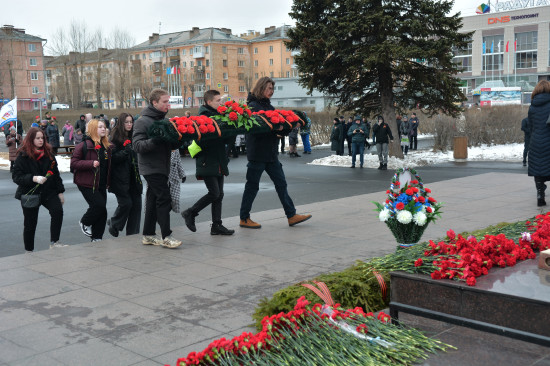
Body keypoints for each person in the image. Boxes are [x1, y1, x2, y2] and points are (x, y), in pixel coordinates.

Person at [239, 77, 312, 228]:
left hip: (270, 153)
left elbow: (277, 127)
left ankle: (291, 215)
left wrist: (291, 126)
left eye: (272, 89)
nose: (271, 91)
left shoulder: (269, 106)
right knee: (252, 186)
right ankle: (244, 218)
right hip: (258, 153)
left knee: (281, 184)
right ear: (261, 88)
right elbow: (257, 130)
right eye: (269, 88)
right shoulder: (253, 106)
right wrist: (275, 130)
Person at [133, 88, 182, 248]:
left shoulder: (164, 120)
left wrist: (179, 137)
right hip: (151, 168)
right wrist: (157, 139)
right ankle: (167, 236)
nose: (168, 105)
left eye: (169, 101)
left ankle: (148, 234)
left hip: (162, 166)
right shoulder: (142, 121)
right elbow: (137, 145)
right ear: (154, 103)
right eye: (165, 102)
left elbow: (171, 145)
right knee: (164, 198)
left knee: (153, 200)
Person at [182, 89, 235, 235]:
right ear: (209, 102)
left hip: (218, 159)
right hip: (207, 160)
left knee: (220, 194)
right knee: (214, 193)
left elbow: (223, 139)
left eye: (220, 100)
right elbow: (204, 141)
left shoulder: (219, 117)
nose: (220, 103)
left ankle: (217, 225)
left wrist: (232, 129)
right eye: (218, 101)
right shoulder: (203, 118)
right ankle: (190, 212)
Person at [12, 127, 66, 252]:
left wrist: (60, 192)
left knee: (57, 211)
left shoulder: (49, 154)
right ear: (31, 139)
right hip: (30, 193)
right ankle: (29, 250)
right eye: (38, 138)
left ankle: (55, 241)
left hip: (48, 191)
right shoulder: (23, 155)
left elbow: (55, 175)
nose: (41, 140)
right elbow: (16, 177)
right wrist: (33, 178)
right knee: (30, 223)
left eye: (42, 138)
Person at [71, 119, 112, 242]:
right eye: (100, 127)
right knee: (98, 205)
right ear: (93, 129)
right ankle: (84, 222)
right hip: (87, 182)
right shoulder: (84, 145)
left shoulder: (106, 146)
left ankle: (97, 238)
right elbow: (74, 163)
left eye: (104, 127)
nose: (103, 129)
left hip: (101, 183)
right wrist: (91, 163)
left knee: (102, 211)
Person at [107, 113, 143, 237]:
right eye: (126, 122)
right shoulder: (115, 137)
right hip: (120, 177)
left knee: (137, 205)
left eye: (131, 122)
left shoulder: (135, 136)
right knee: (126, 203)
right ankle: (114, 223)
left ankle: (133, 234)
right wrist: (125, 152)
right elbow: (112, 158)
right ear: (121, 123)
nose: (129, 124)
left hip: (134, 175)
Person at [526, 80, 550, 207]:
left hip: (536, 142)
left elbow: (531, 126)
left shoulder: (532, 106)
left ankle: (540, 194)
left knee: (539, 171)